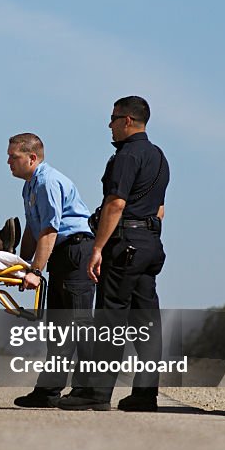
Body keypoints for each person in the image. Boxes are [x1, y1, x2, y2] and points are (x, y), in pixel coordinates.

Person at [57, 95, 169, 412]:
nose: (110, 124)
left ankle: (96, 393)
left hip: (125, 246)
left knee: (110, 320)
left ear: (128, 121)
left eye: (113, 118)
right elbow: (159, 209)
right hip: (150, 244)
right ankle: (145, 395)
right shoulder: (159, 157)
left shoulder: (127, 155)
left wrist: (98, 248)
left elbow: (116, 203)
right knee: (147, 324)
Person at [6, 133, 97, 408]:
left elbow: (49, 229)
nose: (8, 162)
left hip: (75, 253)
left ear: (32, 158)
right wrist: (20, 267)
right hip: (59, 254)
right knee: (58, 329)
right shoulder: (29, 187)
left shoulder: (46, 182)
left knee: (80, 325)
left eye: (14, 157)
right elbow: (33, 231)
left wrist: (35, 270)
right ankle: (48, 391)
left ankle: (90, 393)